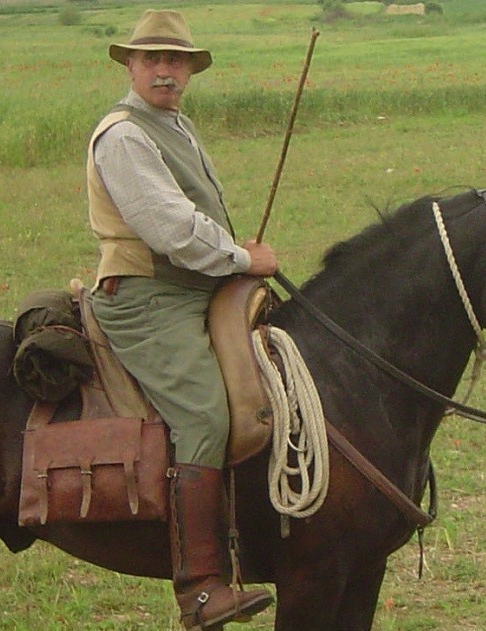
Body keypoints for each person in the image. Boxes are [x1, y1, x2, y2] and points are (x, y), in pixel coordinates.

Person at [85, 8, 277, 631]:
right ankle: (200, 588)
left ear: (190, 70)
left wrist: (233, 258)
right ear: (132, 67)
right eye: (152, 59)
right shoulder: (124, 136)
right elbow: (170, 229)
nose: (165, 70)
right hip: (148, 297)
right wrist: (242, 258)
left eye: (176, 60)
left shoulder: (177, 126)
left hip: (194, 287)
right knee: (204, 413)